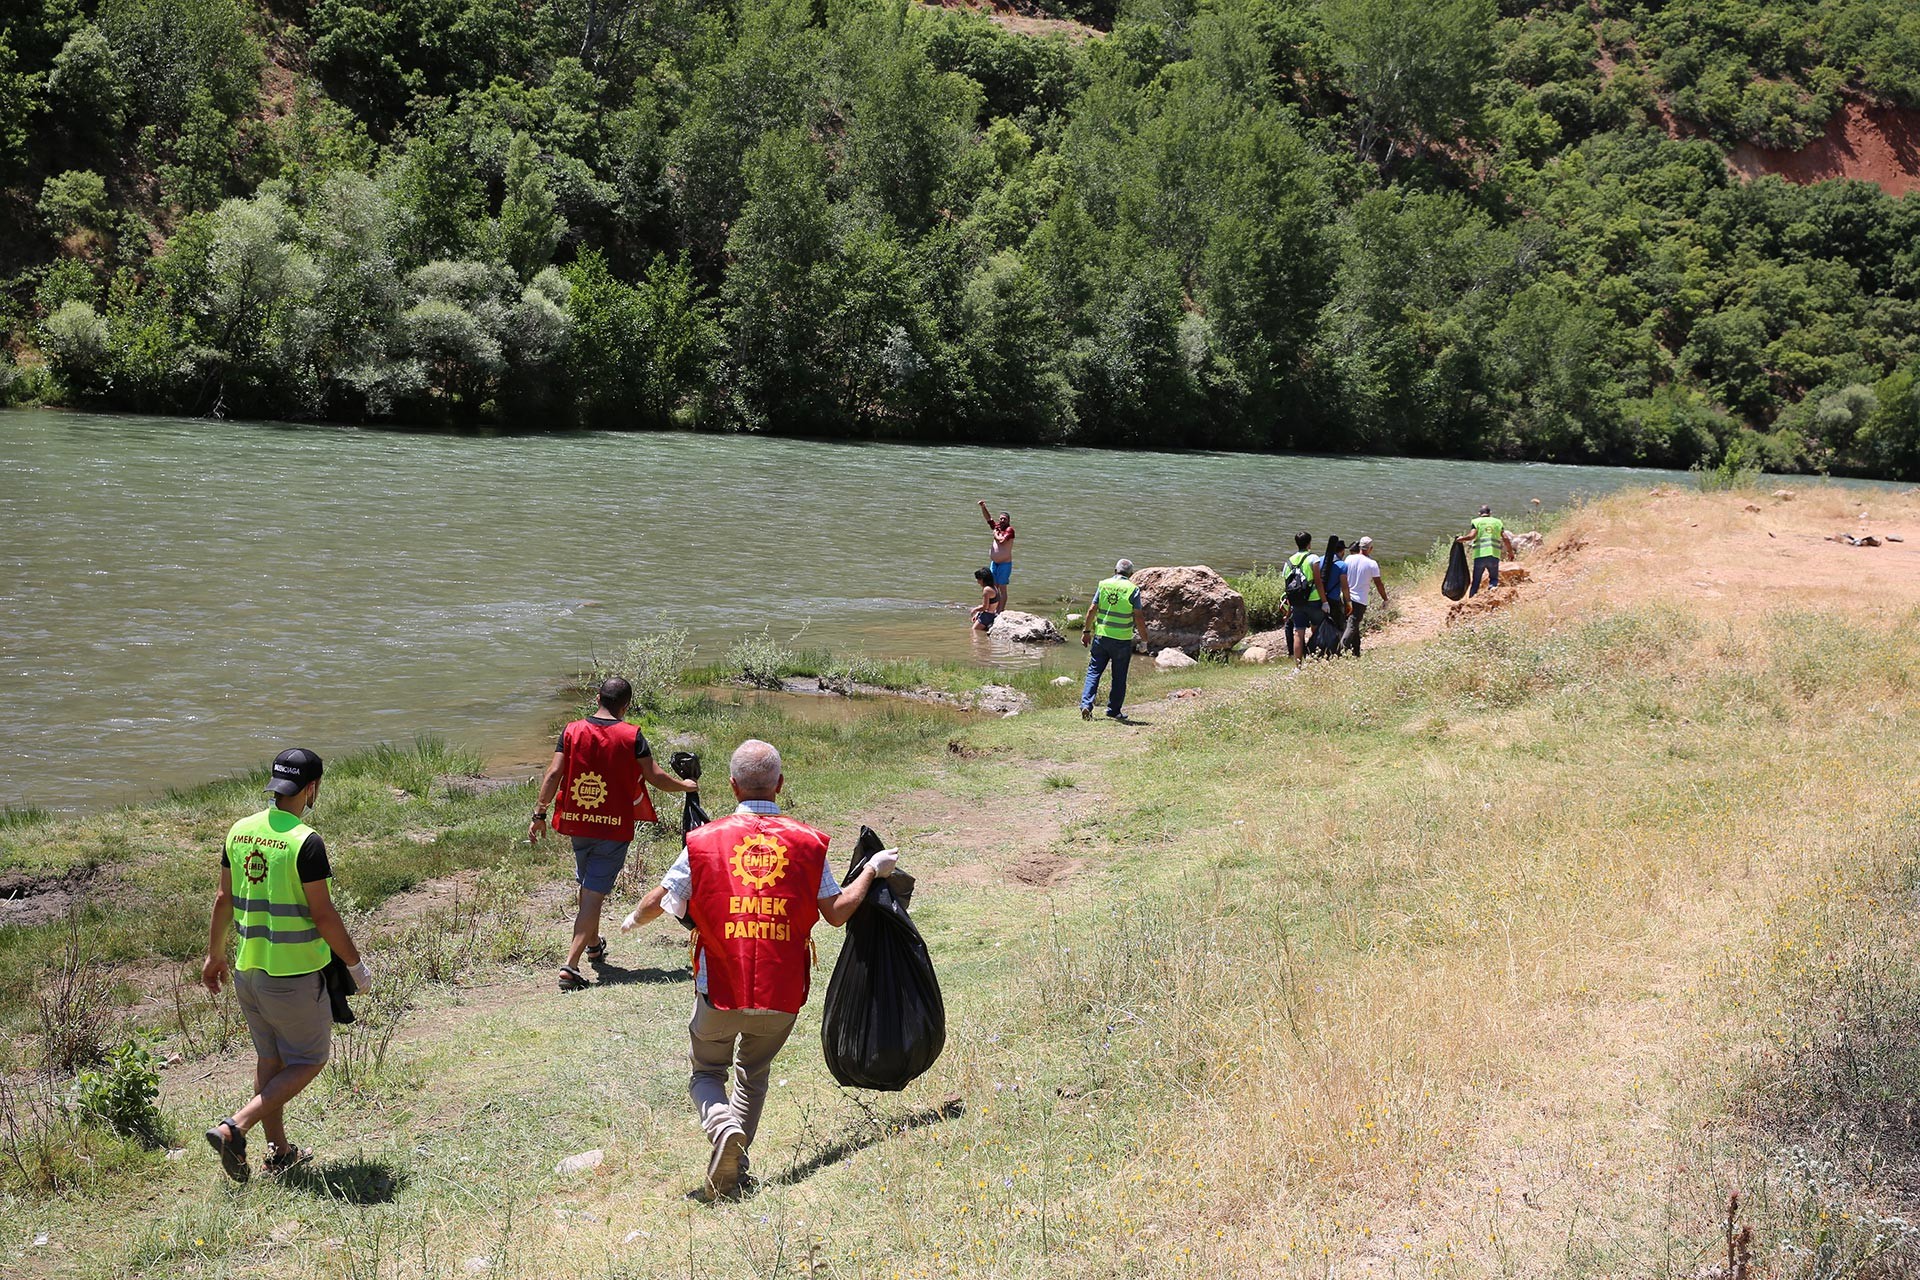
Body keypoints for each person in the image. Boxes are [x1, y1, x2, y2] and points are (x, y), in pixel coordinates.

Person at [620, 739, 897, 1199]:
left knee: (707, 1072)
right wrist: (871, 870)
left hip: (719, 988)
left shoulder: (705, 840)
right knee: (754, 1072)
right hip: (782, 990)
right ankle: (737, 1162)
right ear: (780, 784)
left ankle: (722, 1129)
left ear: (731, 787)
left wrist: (632, 920)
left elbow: (662, 897)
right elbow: (837, 911)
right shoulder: (808, 843)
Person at [201, 748, 370, 1183]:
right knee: (310, 1059)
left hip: (247, 971)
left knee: (270, 1058)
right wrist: (354, 965)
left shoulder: (239, 831)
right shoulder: (305, 841)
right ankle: (234, 1127)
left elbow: (224, 899)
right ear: (311, 788)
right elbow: (324, 915)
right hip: (292, 976)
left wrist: (214, 955)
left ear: (275, 785)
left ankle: (279, 1152)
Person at [529, 676, 697, 992]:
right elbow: (656, 777)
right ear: (626, 706)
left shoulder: (571, 730)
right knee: (593, 893)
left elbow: (553, 774)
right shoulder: (632, 736)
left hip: (577, 822)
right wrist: (685, 786)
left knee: (588, 884)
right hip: (613, 827)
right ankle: (571, 966)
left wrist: (539, 813)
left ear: (597, 699)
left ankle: (594, 946)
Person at [1080, 558, 1145, 722]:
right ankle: (1114, 710)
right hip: (1122, 639)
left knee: (1094, 672)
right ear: (1131, 574)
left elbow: (1092, 609)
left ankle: (1086, 704)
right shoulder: (1133, 589)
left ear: (1115, 570)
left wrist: (1086, 631)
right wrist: (1144, 639)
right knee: (1119, 676)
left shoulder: (1103, 585)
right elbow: (1138, 616)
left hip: (1101, 636)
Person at [1282, 532, 1327, 664]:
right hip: (1313, 600)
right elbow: (1318, 582)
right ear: (1309, 543)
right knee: (1317, 629)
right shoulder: (1313, 558)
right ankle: (1314, 658)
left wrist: (1289, 607)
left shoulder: (1288, 562)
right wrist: (1325, 602)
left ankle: (1297, 666)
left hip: (1297, 602)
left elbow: (1287, 586)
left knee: (1298, 632)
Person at [1341, 536, 1389, 655]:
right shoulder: (1372, 564)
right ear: (1370, 548)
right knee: (1352, 625)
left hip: (1346, 598)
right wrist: (1385, 599)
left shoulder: (1349, 558)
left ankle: (1356, 651)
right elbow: (1378, 584)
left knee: (1353, 624)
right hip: (1359, 600)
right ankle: (1340, 651)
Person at [1458, 504, 1516, 597]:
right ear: (1490, 513)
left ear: (1479, 513)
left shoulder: (1476, 521)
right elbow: (1505, 538)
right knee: (1493, 579)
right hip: (1494, 555)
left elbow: (1471, 536)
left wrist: (1462, 539)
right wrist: (1510, 552)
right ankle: (1492, 594)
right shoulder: (1497, 522)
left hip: (1479, 555)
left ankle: (1472, 599)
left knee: (1476, 581)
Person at [1316, 536, 1349, 656]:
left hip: (1319, 598)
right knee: (1339, 625)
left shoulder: (1319, 561)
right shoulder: (1342, 565)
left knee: (1320, 624)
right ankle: (1335, 651)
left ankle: (1318, 649)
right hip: (1334, 600)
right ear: (1342, 551)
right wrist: (1348, 603)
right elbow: (1345, 587)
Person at [978, 501, 1015, 607]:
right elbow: (988, 519)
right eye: (1001, 518)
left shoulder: (1009, 530)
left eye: (1005, 519)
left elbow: (1001, 541)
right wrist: (983, 507)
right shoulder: (997, 527)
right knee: (993, 586)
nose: (1002, 520)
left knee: (1002, 588)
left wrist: (995, 534)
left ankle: (1000, 611)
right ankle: (993, 609)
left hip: (1004, 564)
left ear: (1008, 521)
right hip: (994, 563)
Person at [970, 567, 1004, 632]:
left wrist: (974, 610)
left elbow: (985, 607)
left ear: (983, 579)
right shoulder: (994, 587)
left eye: (978, 579)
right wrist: (978, 614)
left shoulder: (987, 590)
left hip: (987, 616)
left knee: (974, 631)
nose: (977, 582)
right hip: (992, 614)